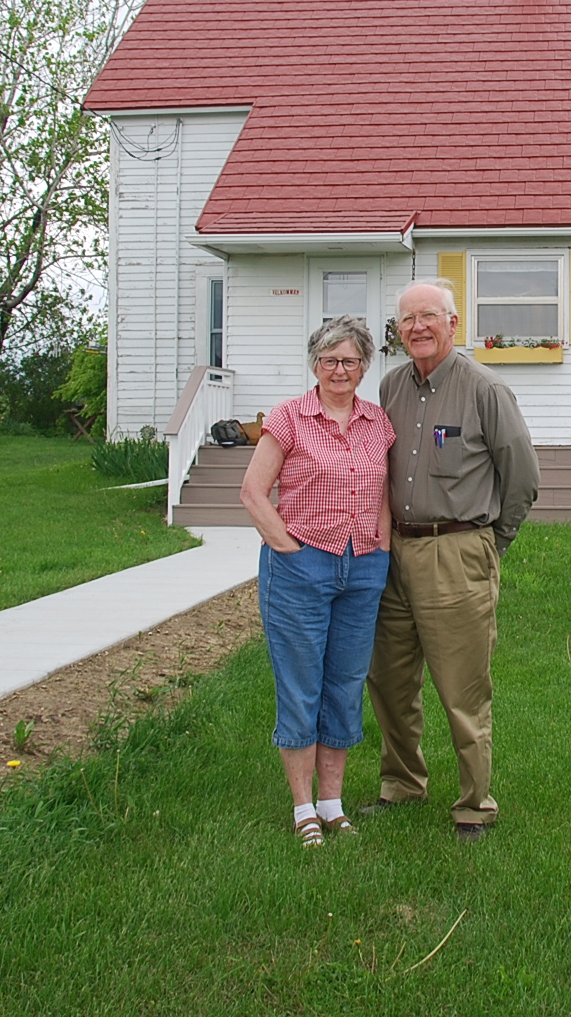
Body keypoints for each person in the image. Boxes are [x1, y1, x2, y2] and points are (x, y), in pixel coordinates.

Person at [362, 280, 539, 842]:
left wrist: (490, 544)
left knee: (463, 689)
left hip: (456, 552)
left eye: (429, 317)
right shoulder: (389, 388)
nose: (417, 327)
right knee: (389, 682)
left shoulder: (485, 389)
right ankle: (402, 784)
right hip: (393, 555)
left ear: (452, 323)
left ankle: (474, 804)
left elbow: (523, 479)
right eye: (407, 319)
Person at [240, 315, 396, 848]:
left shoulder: (379, 423)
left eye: (350, 361)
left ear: (364, 367)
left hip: (364, 568)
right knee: (301, 686)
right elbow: (253, 493)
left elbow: (383, 493)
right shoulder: (289, 418)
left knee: (345, 686)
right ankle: (303, 806)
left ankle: (333, 801)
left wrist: (383, 548)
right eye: (329, 360)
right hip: (302, 567)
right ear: (315, 364)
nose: (339, 370)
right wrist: (287, 546)